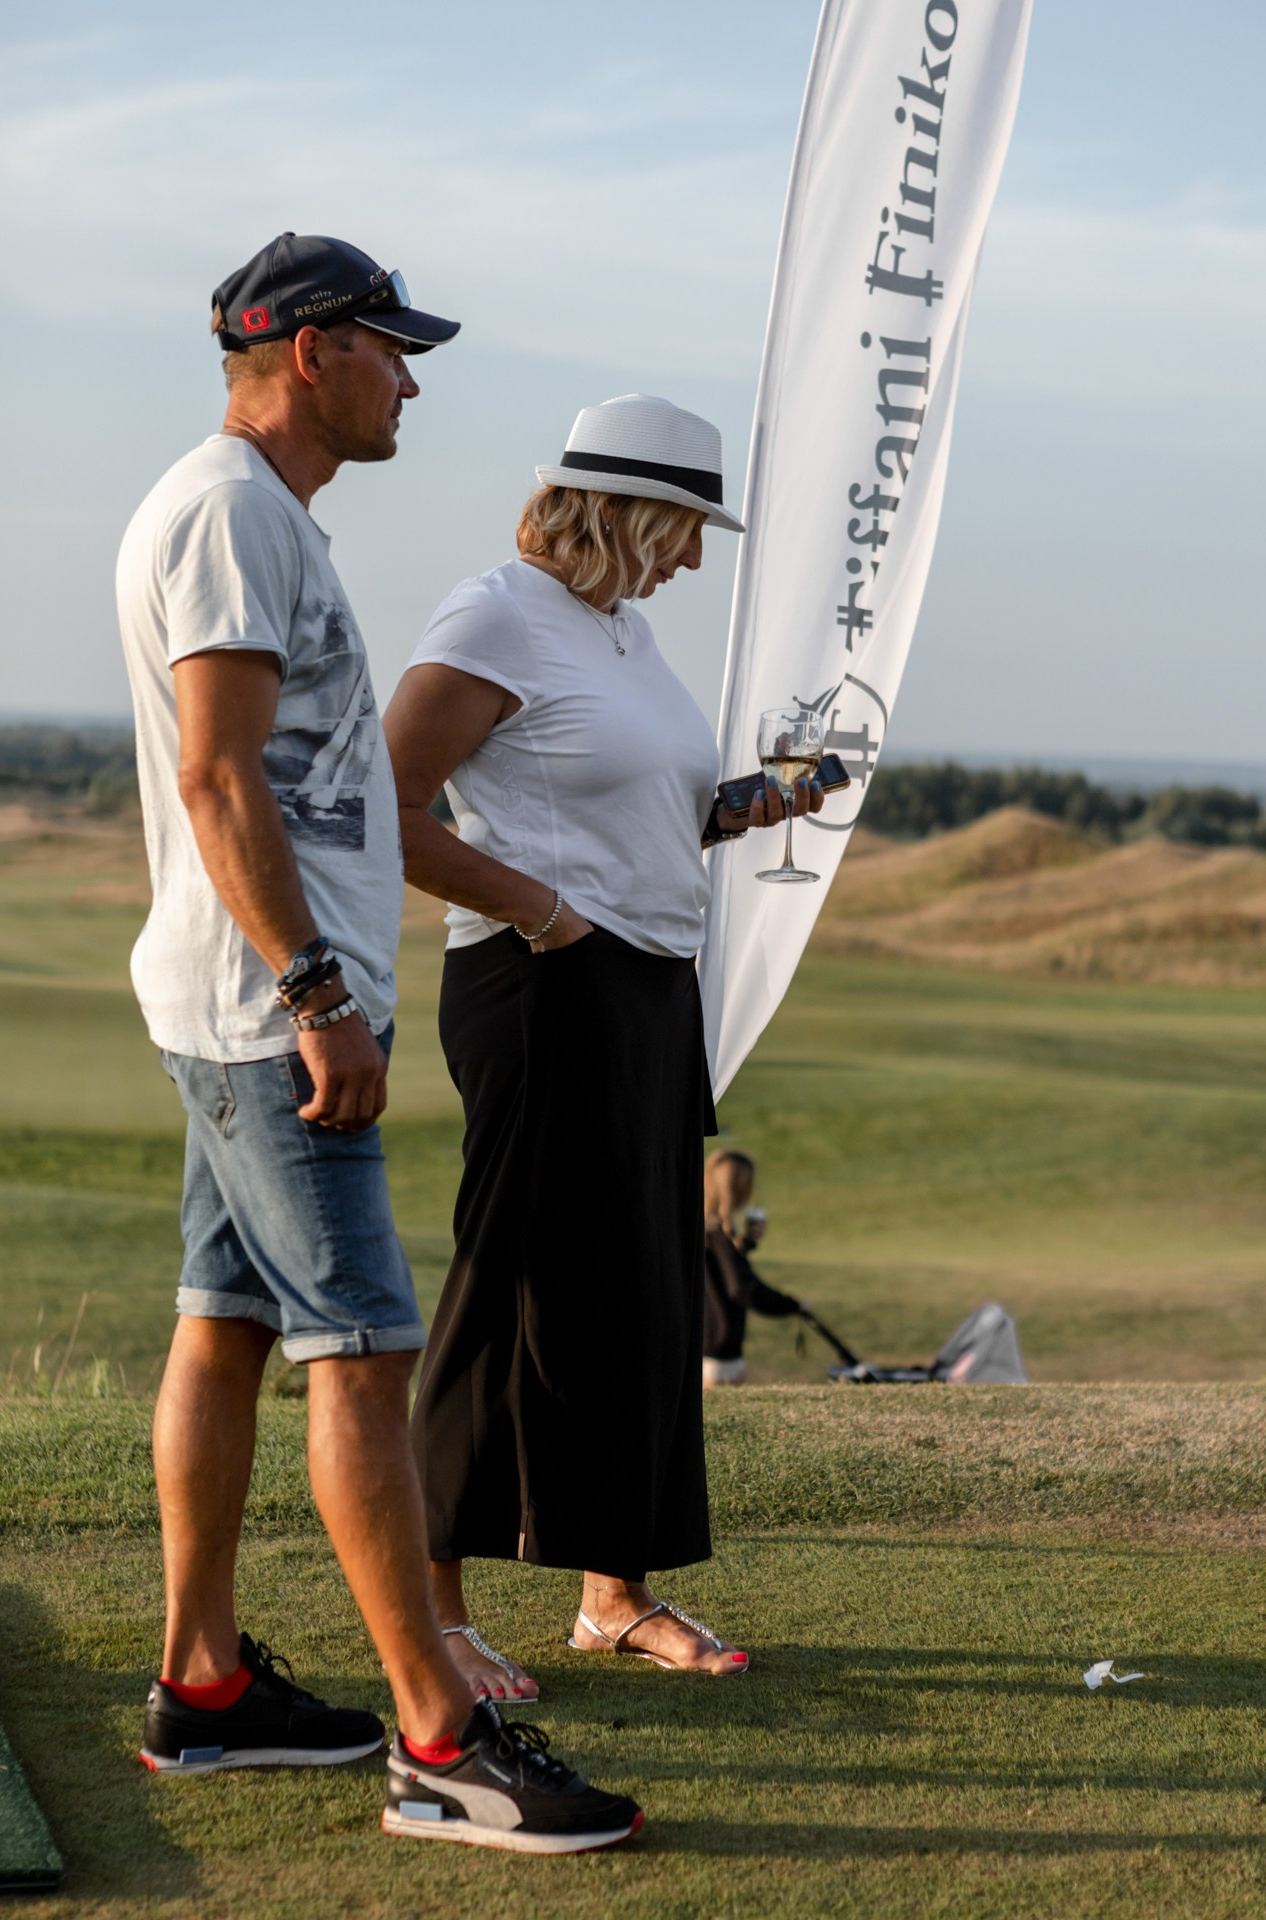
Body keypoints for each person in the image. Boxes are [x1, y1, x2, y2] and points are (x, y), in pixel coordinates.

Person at [115, 232, 641, 1855]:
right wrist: (317, 996)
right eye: (391, 349)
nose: (411, 380)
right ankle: (440, 1742)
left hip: (250, 1005)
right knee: (364, 1344)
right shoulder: (224, 511)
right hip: (269, 1017)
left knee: (230, 1324)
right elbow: (221, 778)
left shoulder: (264, 517)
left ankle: (204, 1687)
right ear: (311, 350)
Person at [383, 393, 826, 1699]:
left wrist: (755, 803)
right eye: (687, 529)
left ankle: (612, 1595)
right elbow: (383, 805)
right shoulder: (493, 614)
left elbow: (639, 814)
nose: (694, 560)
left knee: (639, 1294)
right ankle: (439, 1612)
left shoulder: (622, 636)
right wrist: (541, 910)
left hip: (643, 991)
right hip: (540, 986)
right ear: (627, 513)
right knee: (510, 1285)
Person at [703, 1150, 802, 1387]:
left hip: (704, 1341)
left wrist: (746, 1244)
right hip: (720, 1347)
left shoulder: (705, 1230)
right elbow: (739, 1287)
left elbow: (719, 1271)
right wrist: (791, 1305)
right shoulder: (718, 1235)